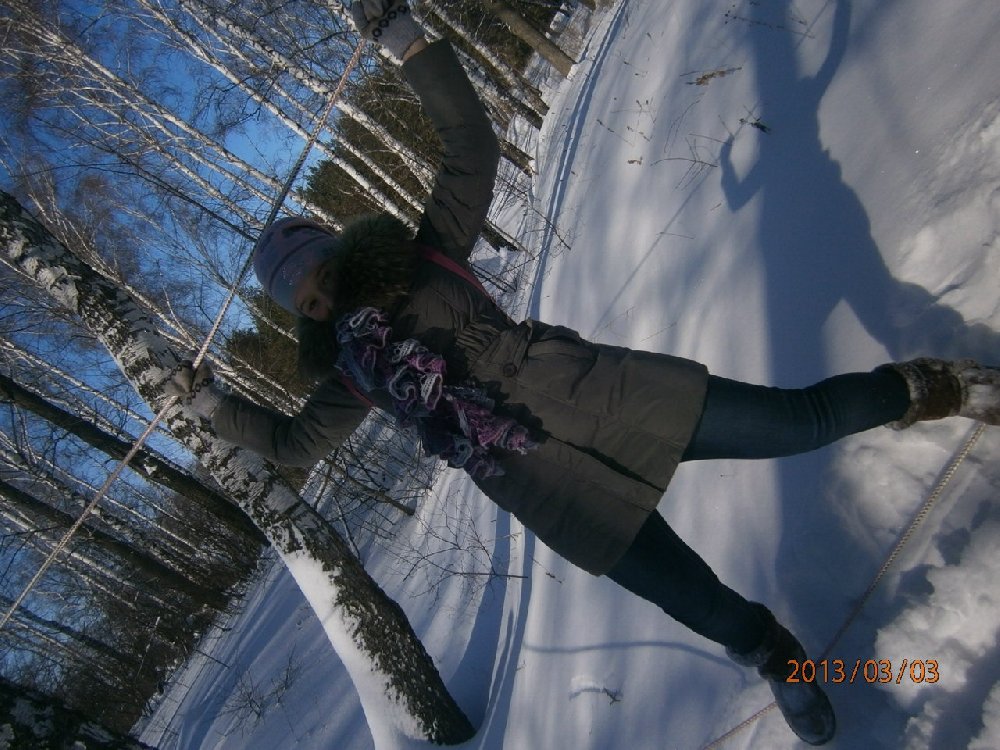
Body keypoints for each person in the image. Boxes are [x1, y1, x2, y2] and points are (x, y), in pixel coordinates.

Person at [167, 2, 1000, 745]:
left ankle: (934, 386)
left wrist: (406, 39)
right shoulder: (354, 374)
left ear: (338, 252)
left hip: (599, 393)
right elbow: (293, 442)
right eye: (306, 303)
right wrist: (205, 404)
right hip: (543, 485)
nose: (322, 300)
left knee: (795, 423)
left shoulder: (424, 254)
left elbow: (470, 143)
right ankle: (779, 657)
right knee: (696, 600)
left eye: (319, 277)